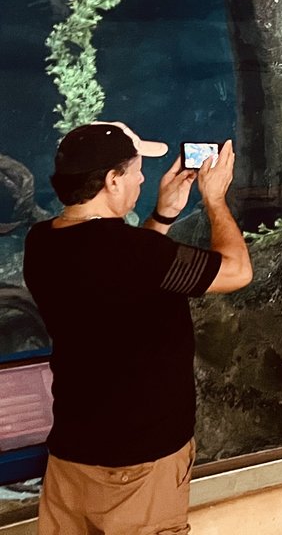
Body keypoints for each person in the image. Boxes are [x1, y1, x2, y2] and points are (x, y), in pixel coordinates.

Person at [23, 122, 253, 535]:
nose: (144, 177)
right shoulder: (136, 253)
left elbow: (120, 271)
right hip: (139, 467)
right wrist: (215, 200)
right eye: (135, 170)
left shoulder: (41, 242)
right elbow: (237, 272)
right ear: (112, 181)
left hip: (71, 461)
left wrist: (162, 215)